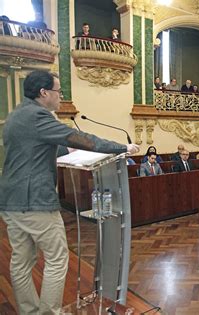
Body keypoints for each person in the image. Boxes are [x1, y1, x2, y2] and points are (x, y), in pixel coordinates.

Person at [0, 70, 139, 315]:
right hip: (35, 201)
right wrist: (121, 147)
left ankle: (29, 311)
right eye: (58, 91)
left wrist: (66, 151)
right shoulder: (38, 116)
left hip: (11, 201)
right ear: (44, 93)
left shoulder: (15, 116)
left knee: (21, 262)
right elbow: (80, 138)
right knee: (56, 259)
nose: (60, 96)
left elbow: (36, 149)